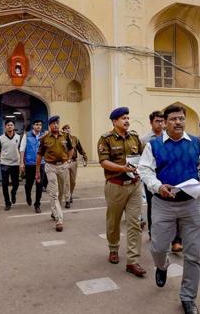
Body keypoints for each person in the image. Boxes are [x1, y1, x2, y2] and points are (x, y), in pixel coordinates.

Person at [138, 104, 200, 314]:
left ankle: (188, 297)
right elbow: (144, 169)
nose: (178, 122)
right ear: (165, 122)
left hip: (191, 204)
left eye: (181, 118)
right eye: (173, 119)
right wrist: (157, 186)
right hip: (163, 205)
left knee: (193, 254)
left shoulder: (197, 143)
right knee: (158, 248)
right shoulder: (153, 146)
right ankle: (162, 266)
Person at [97, 107, 147, 277]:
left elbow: (142, 156)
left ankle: (133, 261)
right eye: (123, 118)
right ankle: (113, 248)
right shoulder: (106, 139)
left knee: (135, 222)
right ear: (114, 121)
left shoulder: (134, 137)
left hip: (134, 185)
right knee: (114, 221)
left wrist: (142, 169)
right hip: (115, 185)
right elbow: (103, 162)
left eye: (127, 117)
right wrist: (121, 168)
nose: (126, 120)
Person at [141, 110, 182, 250]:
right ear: (151, 123)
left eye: (162, 121)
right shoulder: (145, 140)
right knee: (153, 208)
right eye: (157, 121)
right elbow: (142, 164)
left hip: (170, 180)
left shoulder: (171, 138)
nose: (160, 124)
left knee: (175, 207)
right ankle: (154, 234)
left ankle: (176, 240)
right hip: (152, 182)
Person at [36, 115, 73, 232]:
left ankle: (54, 211)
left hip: (63, 166)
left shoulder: (66, 136)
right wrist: (37, 171)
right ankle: (59, 219)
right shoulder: (45, 138)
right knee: (54, 193)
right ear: (50, 125)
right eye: (53, 123)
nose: (56, 125)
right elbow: (39, 155)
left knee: (61, 192)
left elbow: (71, 149)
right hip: (50, 167)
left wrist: (68, 160)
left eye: (57, 123)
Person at [20, 120, 47, 213]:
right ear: (33, 126)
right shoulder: (26, 135)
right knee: (29, 184)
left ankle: (37, 204)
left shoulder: (44, 136)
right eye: (37, 124)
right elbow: (22, 149)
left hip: (41, 164)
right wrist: (21, 163)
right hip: (29, 163)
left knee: (39, 185)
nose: (39, 126)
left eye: (40, 125)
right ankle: (28, 195)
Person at [0, 120, 22, 211]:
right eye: (8, 125)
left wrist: (21, 163)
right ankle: (7, 202)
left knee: (16, 183)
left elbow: (21, 150)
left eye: (11, 125)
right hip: (5, 164)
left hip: (15, 163)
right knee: (4, 184)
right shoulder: (0, 138)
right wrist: (0, 160)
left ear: (14, 126)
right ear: (5, 127)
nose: (10, 126)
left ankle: (13, 193)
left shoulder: (19, 137)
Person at [62, 124, 87, 209]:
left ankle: (70, 194)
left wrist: (84, 156)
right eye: (65, 129)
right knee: (66, 182)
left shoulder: (75, 138)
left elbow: (80, 148)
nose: (67, 130)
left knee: (73, 182)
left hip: (73, 162)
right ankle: (67, 200)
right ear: (63, 130)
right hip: (65, 162)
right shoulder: (61, 138)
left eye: (68, 128)